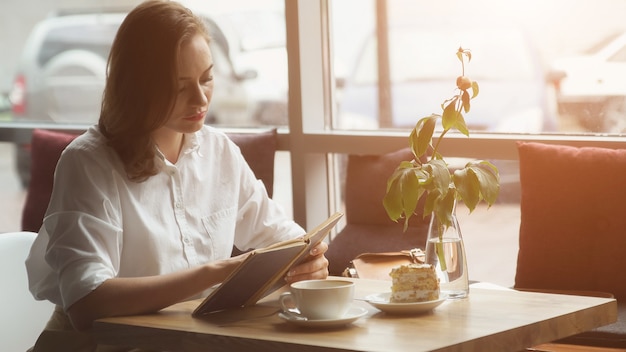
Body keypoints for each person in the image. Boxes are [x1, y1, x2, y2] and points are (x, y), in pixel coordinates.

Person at [25, 1, 329, 350]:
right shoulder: (88, 163)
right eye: (180, 86)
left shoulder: (219, 152)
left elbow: (284, 239)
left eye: (207, 78)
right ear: (137, 86)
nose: (200, 98)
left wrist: (309, 262)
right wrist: (215, 274)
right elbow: (86, 302)